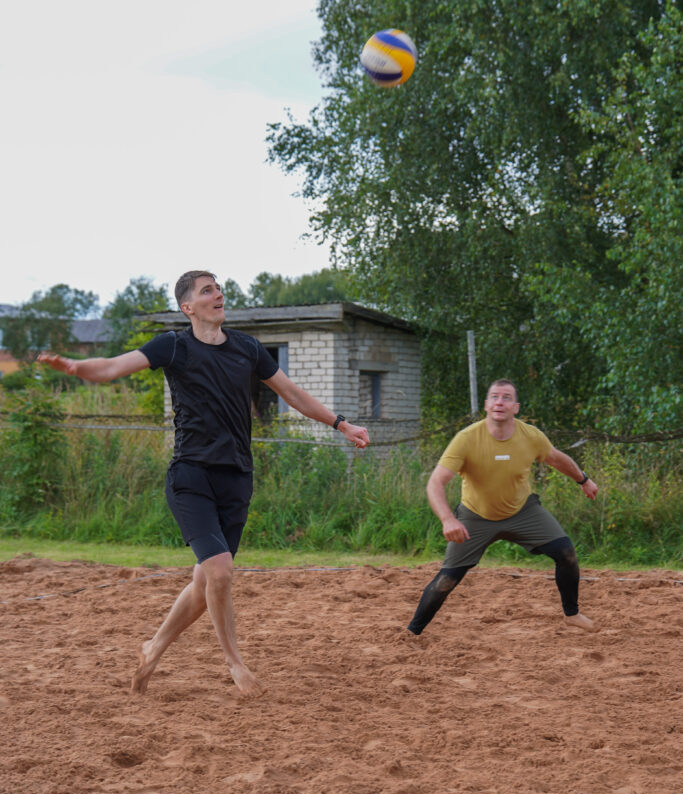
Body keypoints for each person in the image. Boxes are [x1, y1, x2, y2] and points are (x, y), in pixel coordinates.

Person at [39, 270, 370, 696]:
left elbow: (293, 394)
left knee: (205, 582)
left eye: (218, 288)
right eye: (207, 290)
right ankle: (235, 663)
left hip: (237, 477)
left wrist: (341, 424)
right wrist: (75, 367)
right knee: (221, 571)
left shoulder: (247, 348)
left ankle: (153, 647)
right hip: (191, 474)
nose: (218, 294)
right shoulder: (173, 346)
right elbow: (114, 366)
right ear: (187, 307)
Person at [407, 379, 598, 637]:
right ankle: (412, 633)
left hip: (523, 511)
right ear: (487, 405)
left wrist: (583, 480)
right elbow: (435, 483)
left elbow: (556, 458)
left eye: (506, 397)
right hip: (475, 516)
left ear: (515, 407)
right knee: (447, 579)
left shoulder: (531, 436)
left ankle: (572, 614)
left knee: (566, 553)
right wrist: (448, 519)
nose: (500, 402)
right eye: (495, 397)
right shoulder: (466, 439)